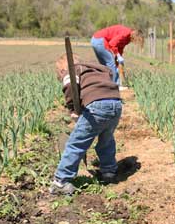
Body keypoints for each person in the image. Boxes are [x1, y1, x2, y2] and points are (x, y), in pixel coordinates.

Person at [49, 53, 122, 195]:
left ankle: (61, 181)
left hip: (96, 107)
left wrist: (72, 108)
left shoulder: (72, 70)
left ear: (62, 71)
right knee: (106, 140)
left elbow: (70, 87)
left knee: (76, 143)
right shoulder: (96, 69)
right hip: (116, 104)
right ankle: (109, 171)